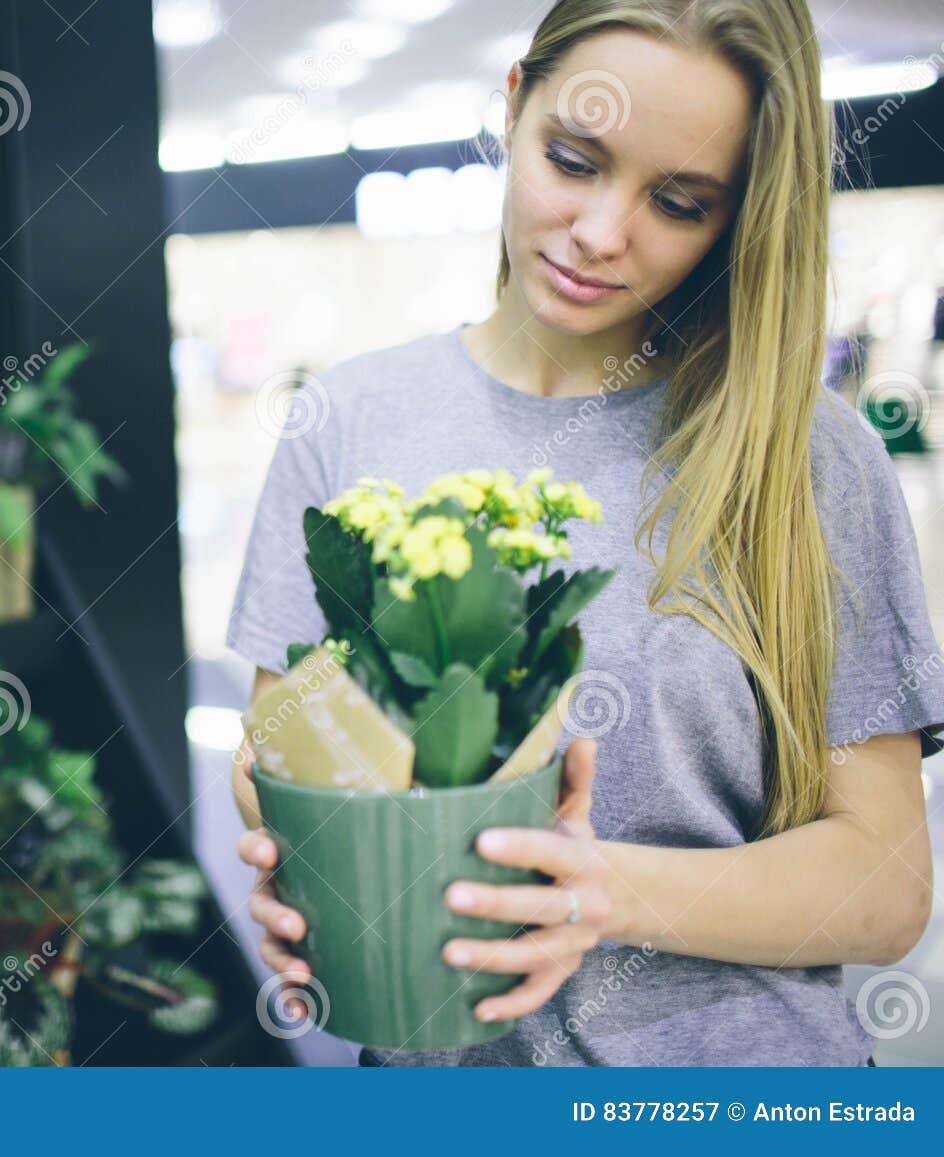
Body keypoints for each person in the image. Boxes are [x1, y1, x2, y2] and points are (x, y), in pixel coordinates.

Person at [226, 0, 944, 1067]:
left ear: (738, 216)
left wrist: (598, 889)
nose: (604, 233)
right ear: (513, 109)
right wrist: (314, 865)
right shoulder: (351, 416)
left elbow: (884, 884)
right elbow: (274, 745)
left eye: (678, 201)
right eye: (573, 159)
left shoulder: (800, 452)